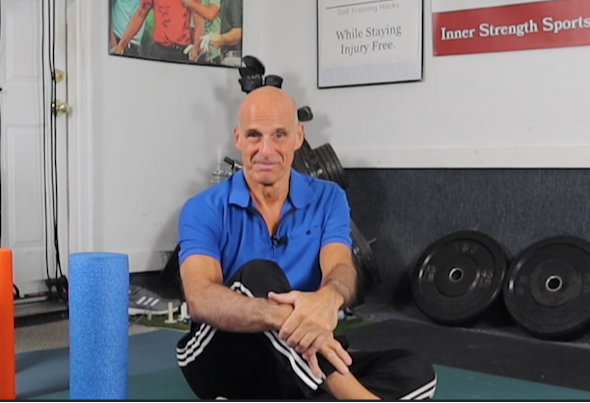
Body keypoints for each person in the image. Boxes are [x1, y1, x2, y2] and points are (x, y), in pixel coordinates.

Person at [175, 86, 437, 400]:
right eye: (255, 135)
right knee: (259, 273)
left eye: (279, 135)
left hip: (301, 363)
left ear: (298, 137)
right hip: (225, 359)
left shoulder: (329, 198)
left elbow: (340, 267)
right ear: (238, 138)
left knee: (415, 373)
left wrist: (329, 297)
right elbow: (201, 299)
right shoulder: (203, 208)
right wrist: (286, 316)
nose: (266, 150)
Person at [112, 0, 201, 62]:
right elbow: (140, 15)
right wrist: (121, 45)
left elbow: (199, 22)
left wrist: (195, 47)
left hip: (181, 51)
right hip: (159, 49)